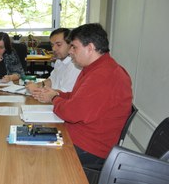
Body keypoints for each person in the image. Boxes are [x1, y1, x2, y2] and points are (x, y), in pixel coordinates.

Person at [33, 23, 132, 166]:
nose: (71, 51)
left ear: (90, 48)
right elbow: (76, 97)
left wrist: (54, 98)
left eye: (74, 47)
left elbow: (72, 113)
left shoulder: (104, 75)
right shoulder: (95, 68)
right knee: (32, 134)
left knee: (33, 154)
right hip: (80, 135)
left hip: (90, 147)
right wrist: (57, 93)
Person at [26, 28, 81, 93]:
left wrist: (38, 90)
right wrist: (37, 85)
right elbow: (51, 80)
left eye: (58, 45)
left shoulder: (75, 65)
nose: (54, 49)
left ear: (70, 44)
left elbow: (65, 94)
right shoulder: (59, 61)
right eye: (52, 45)